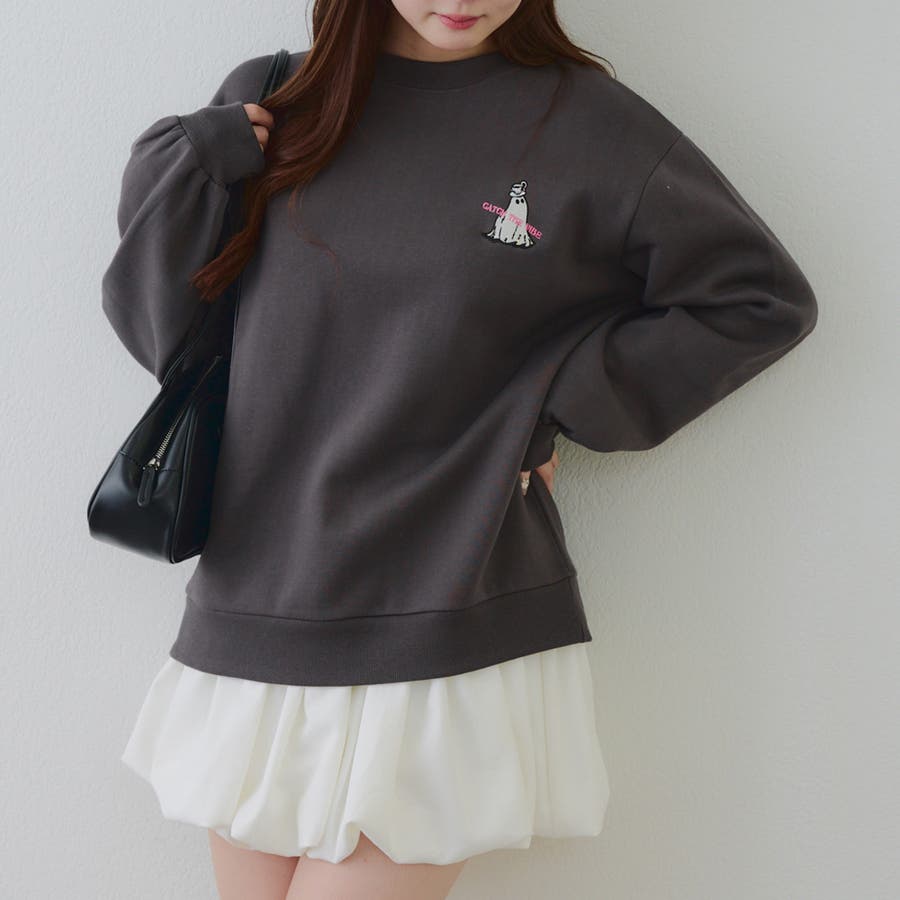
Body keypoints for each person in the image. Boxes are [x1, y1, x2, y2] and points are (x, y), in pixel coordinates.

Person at [103, 2, 818, 898]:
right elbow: (168, 335)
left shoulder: (589, 125)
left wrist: (553, 405)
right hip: (260, 600)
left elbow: (757, 300)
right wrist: (194, 165)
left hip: (446, 597)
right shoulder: (278, 99)